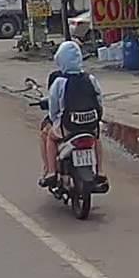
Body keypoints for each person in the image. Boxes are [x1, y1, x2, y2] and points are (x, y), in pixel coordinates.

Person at [40, 40, 107, 188]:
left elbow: (54, 108)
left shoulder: (60, 82)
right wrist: (97, 118)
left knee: (49, 137)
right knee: (97, 138)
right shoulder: (90, 79)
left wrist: (54, 121)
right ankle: (100, 171)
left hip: (68, 127)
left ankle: (51, 171)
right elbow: (99, 101)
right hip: (90, 126)